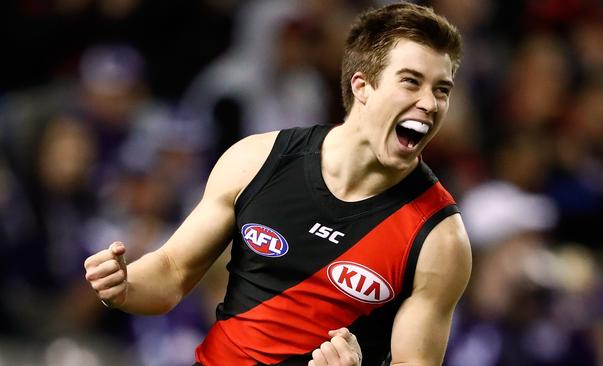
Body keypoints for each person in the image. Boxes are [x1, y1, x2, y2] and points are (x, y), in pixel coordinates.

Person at [84, 3, 472, 365]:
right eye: (411, 82)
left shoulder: (439, 237)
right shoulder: (257, 160)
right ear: (362, 86)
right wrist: (125, 286)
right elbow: (171, 273)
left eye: (442, 89)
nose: (430, 103)